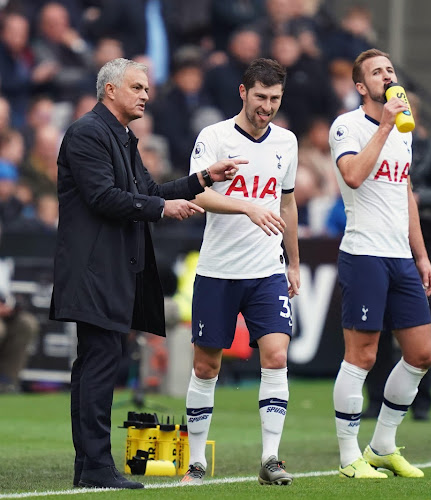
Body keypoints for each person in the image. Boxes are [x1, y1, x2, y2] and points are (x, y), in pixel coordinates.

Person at [49, 57, 240, 490]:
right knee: (99, 364)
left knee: (96, 363)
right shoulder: (87, 133)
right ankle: (96, 465)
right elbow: (104, 197)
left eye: (147, 89)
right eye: (137, 87)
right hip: (93, 270)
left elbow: (148, 192)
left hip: (110, 269)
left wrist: (200, 179)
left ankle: (90, 464)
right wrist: (161, 209)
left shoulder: (120, 136)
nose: (145, 95)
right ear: (110, 90)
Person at [178, 58, 298, 487]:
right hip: (218, 270)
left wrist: (295, 261)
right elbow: (199, 193)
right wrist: (247, 206)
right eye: (261, 97)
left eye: (275, 99)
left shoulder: (287, 142)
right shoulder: (214, 136)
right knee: (207, 366)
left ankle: (270, 459)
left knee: (277, 356)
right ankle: (195, 462)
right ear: (243, 92)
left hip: (267, 270)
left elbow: (287, 203)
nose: (267, 106)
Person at [328, 48, 431, 479]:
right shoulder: (347, 125)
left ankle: (383, 444)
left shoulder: (403, 130)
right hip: (364, 253)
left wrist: (422, 254)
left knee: (422, 353)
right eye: (377, 72)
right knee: (363, 355)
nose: (387, 76)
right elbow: (353, 175)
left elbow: (403, 192)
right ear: (361, 86)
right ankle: (347, 456)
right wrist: (387, 124)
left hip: (400, 257)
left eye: (390, 69)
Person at [362, 93, 431, 421]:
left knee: (419, 326)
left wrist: (418, 197)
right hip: (380, 241)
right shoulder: (373, 142)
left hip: (423, 242)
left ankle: (421, 403)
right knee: (375, 327)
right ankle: (376, 400)